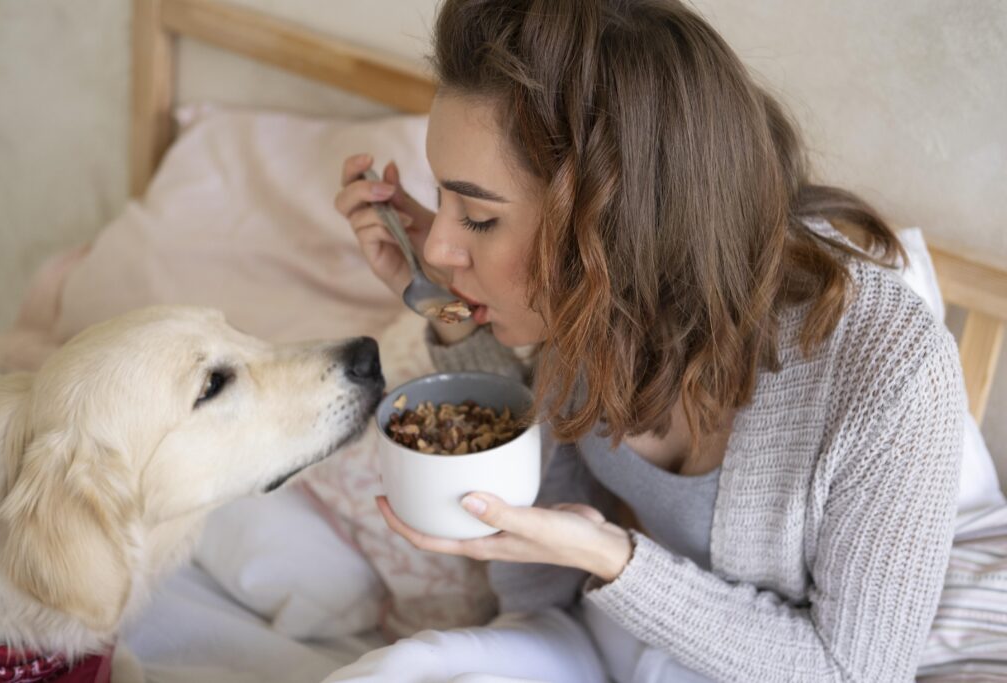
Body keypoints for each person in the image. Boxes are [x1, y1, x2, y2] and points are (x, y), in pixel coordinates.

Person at [327, 0, 965, 680]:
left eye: (478, 215)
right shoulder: (594, 303)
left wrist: (614, 557)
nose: (439, 242)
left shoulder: (893, 375)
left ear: (614, 227)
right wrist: (446, 302)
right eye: (444, 201)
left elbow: (854, 670)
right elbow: (541, 576)